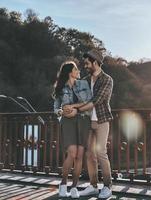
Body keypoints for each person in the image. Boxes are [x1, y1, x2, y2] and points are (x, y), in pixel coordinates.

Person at [64, 49, 113, 199]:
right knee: (89, 154)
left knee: (101, 153)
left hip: (102, 120)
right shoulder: (85, 80)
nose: (85, 66)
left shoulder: (107, 79)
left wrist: (75, 108)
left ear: (96, 63)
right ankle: (93, 186)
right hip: (87, 121)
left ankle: (107, 186)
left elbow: (95, 101)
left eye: (87, 63)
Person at [53, 61, 92, 198]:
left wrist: (74, 108)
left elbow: (88, 102)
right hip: (67, 121)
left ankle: (74, 187)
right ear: (70, 72)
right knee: (72, 153)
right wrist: (62, 112)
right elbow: (56, 108)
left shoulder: (84, 84)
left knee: (80, 155)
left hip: (83, 120)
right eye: (76, 69)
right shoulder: (60, 88)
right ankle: (63, 184)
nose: (78, 71)